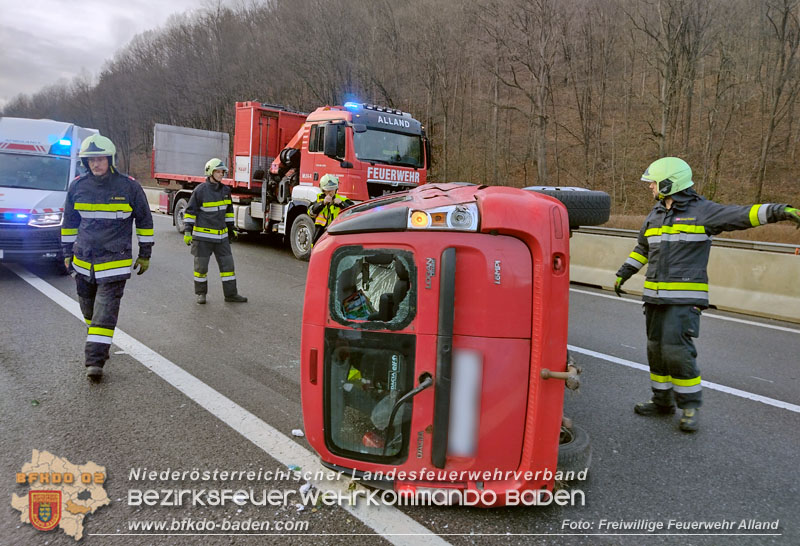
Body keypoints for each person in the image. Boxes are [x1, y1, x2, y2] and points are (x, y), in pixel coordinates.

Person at [615, 157, 799, 432]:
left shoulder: (703, 211)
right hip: (654, 299)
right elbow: (643, 248)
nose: (650, 186)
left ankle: (689, 407)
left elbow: (742, 215)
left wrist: (779, 211)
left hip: (684, 300)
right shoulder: (655, 214)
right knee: (656, 351)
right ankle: (661, 401)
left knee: (677, 352)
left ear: (669, 183)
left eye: (653, 182)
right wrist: (625, 272)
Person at [61, 134, 153, 381]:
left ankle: (95, 361)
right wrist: (67, 253)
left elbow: (145, 221)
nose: (96, 164)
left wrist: (145, 253)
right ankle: (98, 342)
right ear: (85, 162)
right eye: (91, 160)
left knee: (104, 313)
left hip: (114, 263)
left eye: (100, 159)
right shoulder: (77, 187)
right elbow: (69, 223)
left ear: (110, 160)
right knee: (89, 311)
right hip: (83, 263)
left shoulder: (129, 187)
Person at [183, 158, 247, 304]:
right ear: (210, 172)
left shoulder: (225, 190)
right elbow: (190, 212)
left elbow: (228, 212)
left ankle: (231, 294)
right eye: (218, 172)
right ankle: (201, 294)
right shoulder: (200, 191)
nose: (221, 174)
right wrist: (187, 231)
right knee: (201, 269)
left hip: (222, 238)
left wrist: (231, 229)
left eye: (222, 172)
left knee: (228, 268)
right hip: (202, 239)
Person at [309, 174, 354, 243]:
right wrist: (323, 203)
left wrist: (341, 204)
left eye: (332, 189)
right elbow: (311, 212)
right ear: (323, 190)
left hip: (337, 235)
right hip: (320, 235)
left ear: (336, 189)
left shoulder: (343, 200)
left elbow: (353, 212)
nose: (330, 192)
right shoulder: (319, 199)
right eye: (328, 190)